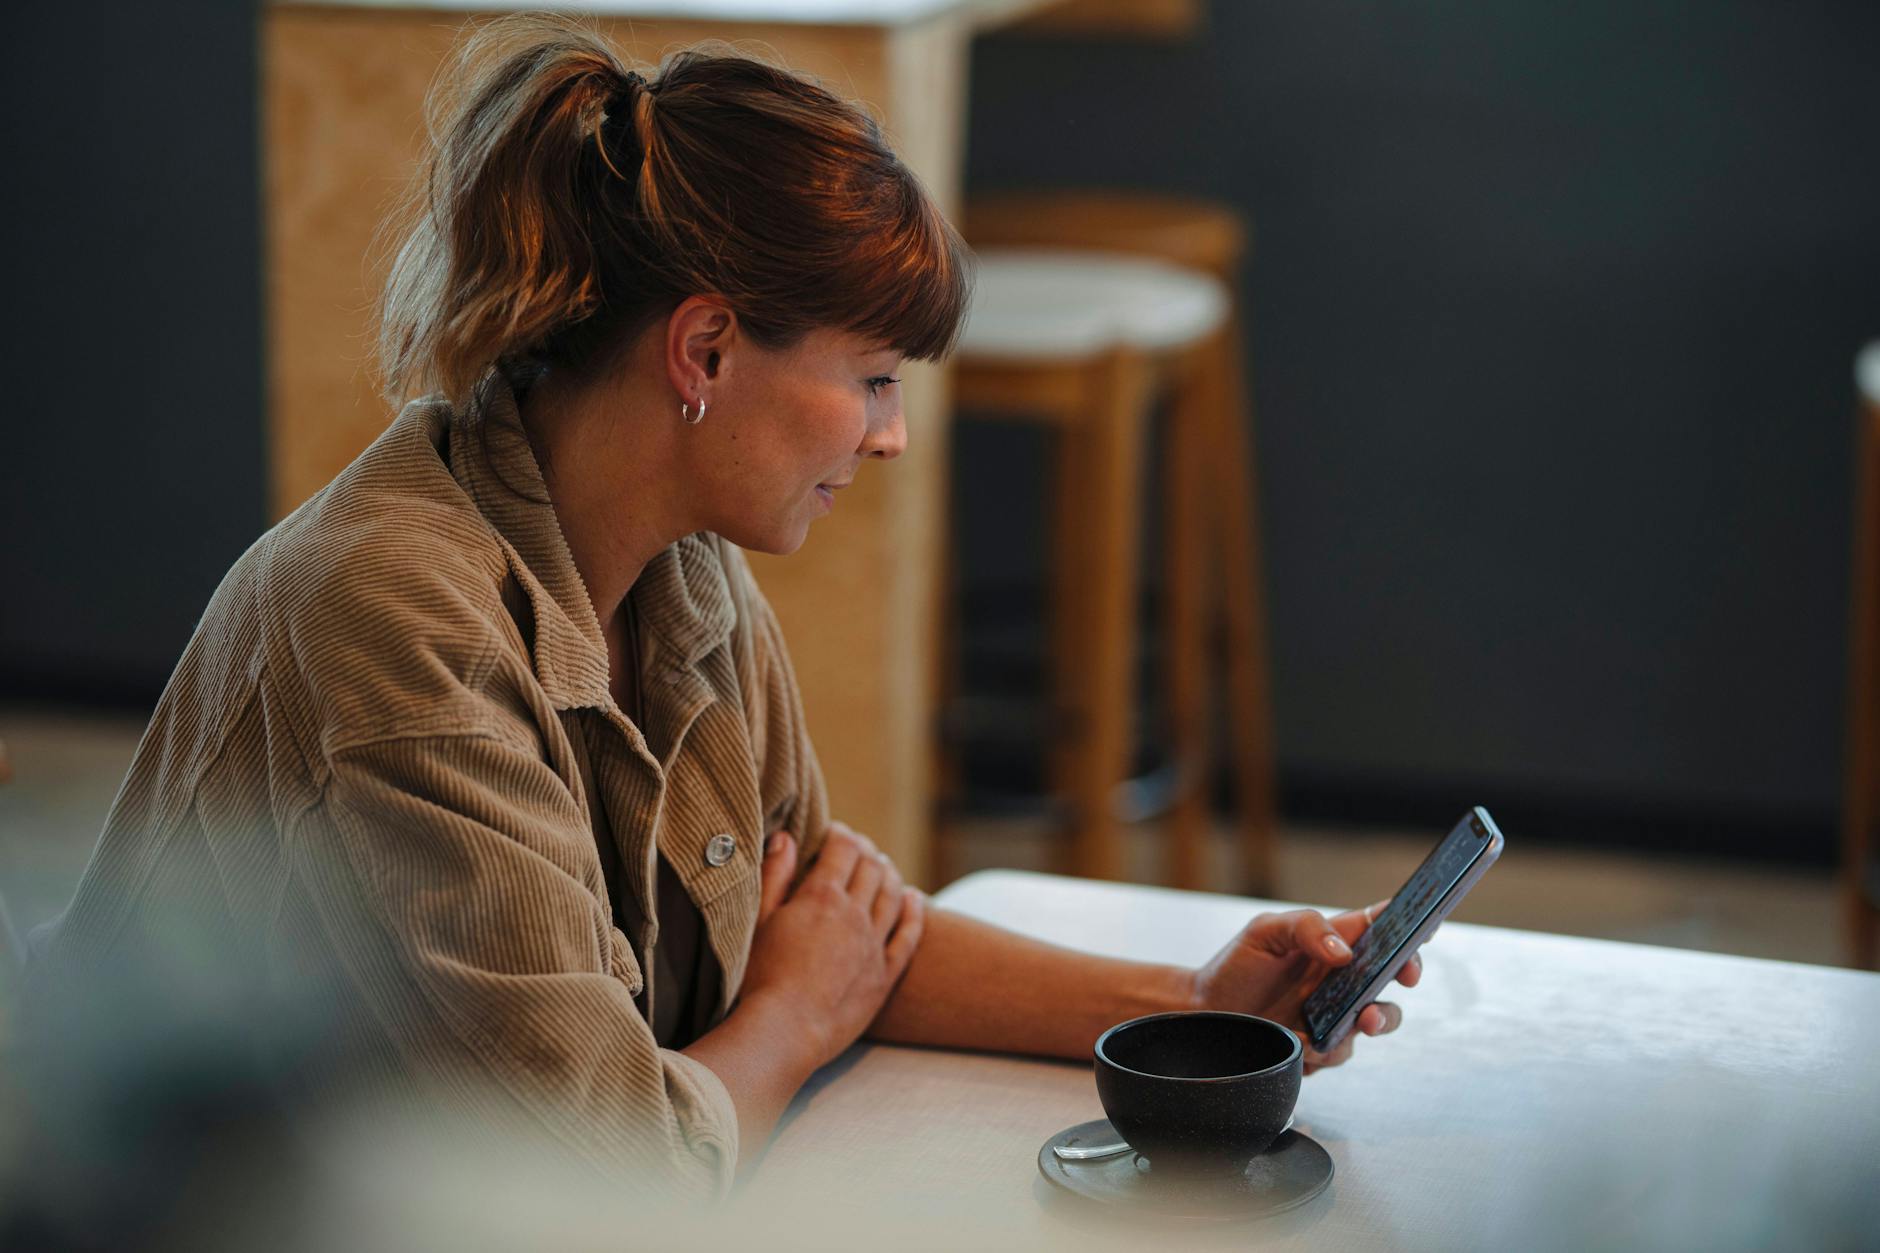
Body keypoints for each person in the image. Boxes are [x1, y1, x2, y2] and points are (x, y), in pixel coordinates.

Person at [23, 14, 1419, 1203]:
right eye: (873, 378)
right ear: (702, 349)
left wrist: (1192, 1009)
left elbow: (841, 925)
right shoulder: (393, 616)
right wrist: (793, 1014)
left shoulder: (685, 566)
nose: (893, 439)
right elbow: (619, 1163)